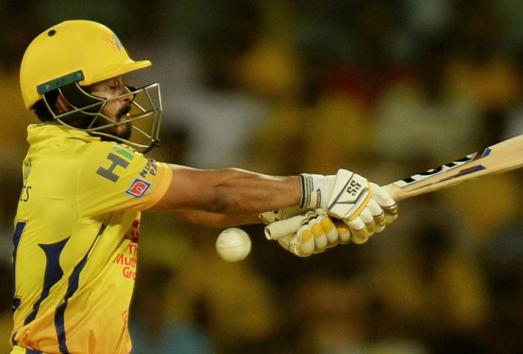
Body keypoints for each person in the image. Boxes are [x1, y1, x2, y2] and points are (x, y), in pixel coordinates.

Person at [9, 20, 398, 354]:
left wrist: (287, 211)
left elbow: (198, 209)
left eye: (122, 83)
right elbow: (217, 192)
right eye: (109, 87)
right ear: (63, 100)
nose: (127, 96)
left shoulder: (66, 156)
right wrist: (319, 189)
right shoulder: (84, 162)